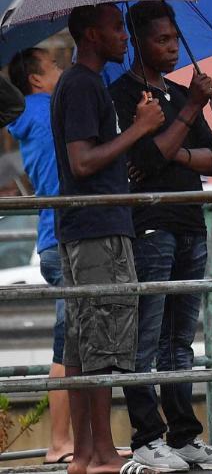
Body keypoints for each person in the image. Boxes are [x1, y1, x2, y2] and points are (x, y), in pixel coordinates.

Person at [108, 1, 212, 471]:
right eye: (161, 39)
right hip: (151, 225)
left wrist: (176, 151)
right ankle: (147, 438)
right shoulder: (123, 95)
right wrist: (188, 117)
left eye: (173, 38)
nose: (171, 47)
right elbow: (142, 161)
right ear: (138, 41)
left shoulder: (181, 95)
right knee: (146, 338)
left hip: (190, 223)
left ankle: (185, 436)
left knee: (180, 340)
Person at [52, 3, 164, 474]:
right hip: (97, 230)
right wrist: (140, 128)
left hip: (93, 226)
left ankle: (87, 452)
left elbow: (93, 158)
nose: (126, 36)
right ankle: (97, 453)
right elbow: (81, 162)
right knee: (100, 349)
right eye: (118, 27)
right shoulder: (80, 83)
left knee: (82, 350)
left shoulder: (84, 83)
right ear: (91, 35)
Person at [8, 48, 72, 463]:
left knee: (75, 345)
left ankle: (73, 441)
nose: (62, 69)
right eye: (53, 65)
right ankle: (60, 443)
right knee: (68, 348)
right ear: (35, 79)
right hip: (65, 239)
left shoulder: (29, 115)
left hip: (54, 238)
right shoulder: (47, 110)